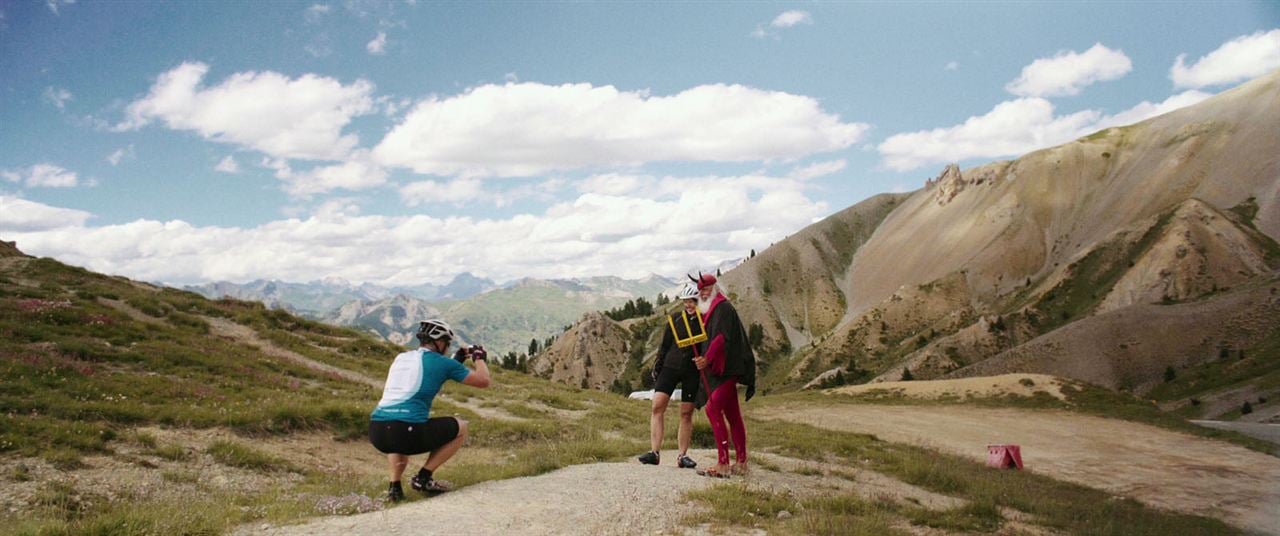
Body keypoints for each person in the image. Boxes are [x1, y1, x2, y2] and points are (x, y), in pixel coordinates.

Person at [369, 319, 491, 502]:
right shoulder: (443, 363)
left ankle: (394, 490)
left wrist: (456, 360)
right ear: (439, 342)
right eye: (447, 343)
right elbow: (483, 381)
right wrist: (479, 357)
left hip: (377, 431)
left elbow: (431, 371)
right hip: (407, 432)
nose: (448, 347)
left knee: (397, 431)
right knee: (461, 427)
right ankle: (423, 478)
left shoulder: (401, 358)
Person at [691, 273, 756, 478]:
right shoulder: (711, 308)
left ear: (715, 288)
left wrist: (706, 359)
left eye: (706, 289)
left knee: (712, 409)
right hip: (722, 369)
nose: (702, 293)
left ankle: (723, 464)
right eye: (700, 290)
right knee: (733, 415)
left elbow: (720, 338)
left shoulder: (722, 308)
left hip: (727, 369)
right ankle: (742, 462)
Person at [637, 284, 701, 469]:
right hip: (670, 367)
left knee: (686, 412)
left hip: (692, 370)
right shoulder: (675, 319)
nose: (688, 305)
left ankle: (682, 456)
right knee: (657, 405)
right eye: (686, 301)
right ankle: (654, 453)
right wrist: (658, 363)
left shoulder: (705, 321)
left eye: (692, 301)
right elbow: (665, 344)